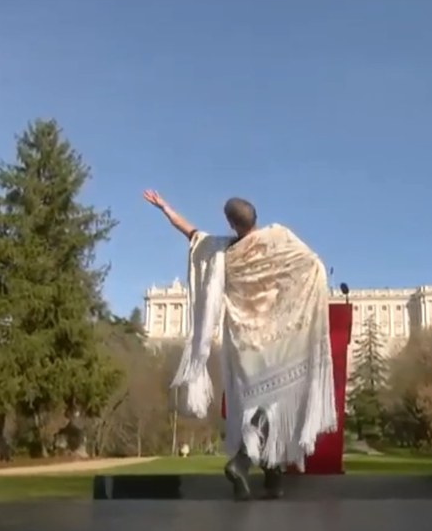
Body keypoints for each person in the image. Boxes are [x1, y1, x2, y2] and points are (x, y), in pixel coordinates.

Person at [143, 189, 337, 500]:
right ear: (255, 216)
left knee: (259, 409)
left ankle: (272, 480)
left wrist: (166, 208)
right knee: (272, 406)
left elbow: (191, 234)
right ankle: (242, 463)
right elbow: (311, 263)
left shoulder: (224, 251)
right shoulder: (279, 238)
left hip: (243, 346)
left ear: (232, 224)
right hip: (276, 342)